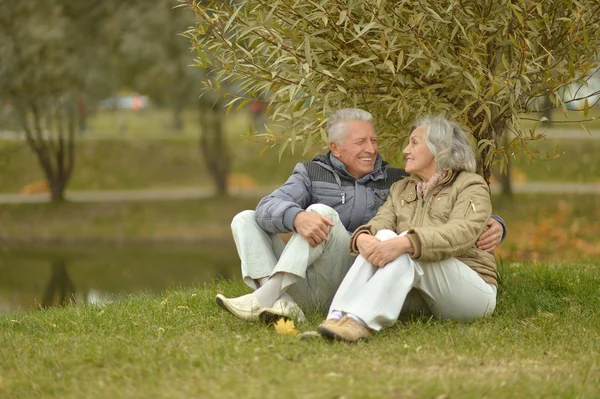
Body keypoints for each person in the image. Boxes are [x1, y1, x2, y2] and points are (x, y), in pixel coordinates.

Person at [215, 109, 505, 323]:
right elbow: (268, 207)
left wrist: (497, 224)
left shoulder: (395, 178)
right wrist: (295, 218)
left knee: (320, 212)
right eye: (360, 142)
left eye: (374, 141)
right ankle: (279, 301)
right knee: (244, 218)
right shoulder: (310, 173)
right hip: (307, 275)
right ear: (335, 148)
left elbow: (442, 196)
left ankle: (264, 299)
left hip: (356, 269)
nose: (370, 149)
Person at [315, 115, 499, 343]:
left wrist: (406, 242)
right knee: (383, 236)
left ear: (438, 148)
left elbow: (461, 233)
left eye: (414, 142)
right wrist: (363, 237)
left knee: (405, 243)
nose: (405, 150)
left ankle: (360, 321)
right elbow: (381, 222)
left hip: (471, 291)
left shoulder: (470, 185)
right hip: (423, 293)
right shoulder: (401, 188)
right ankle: (337, 317)